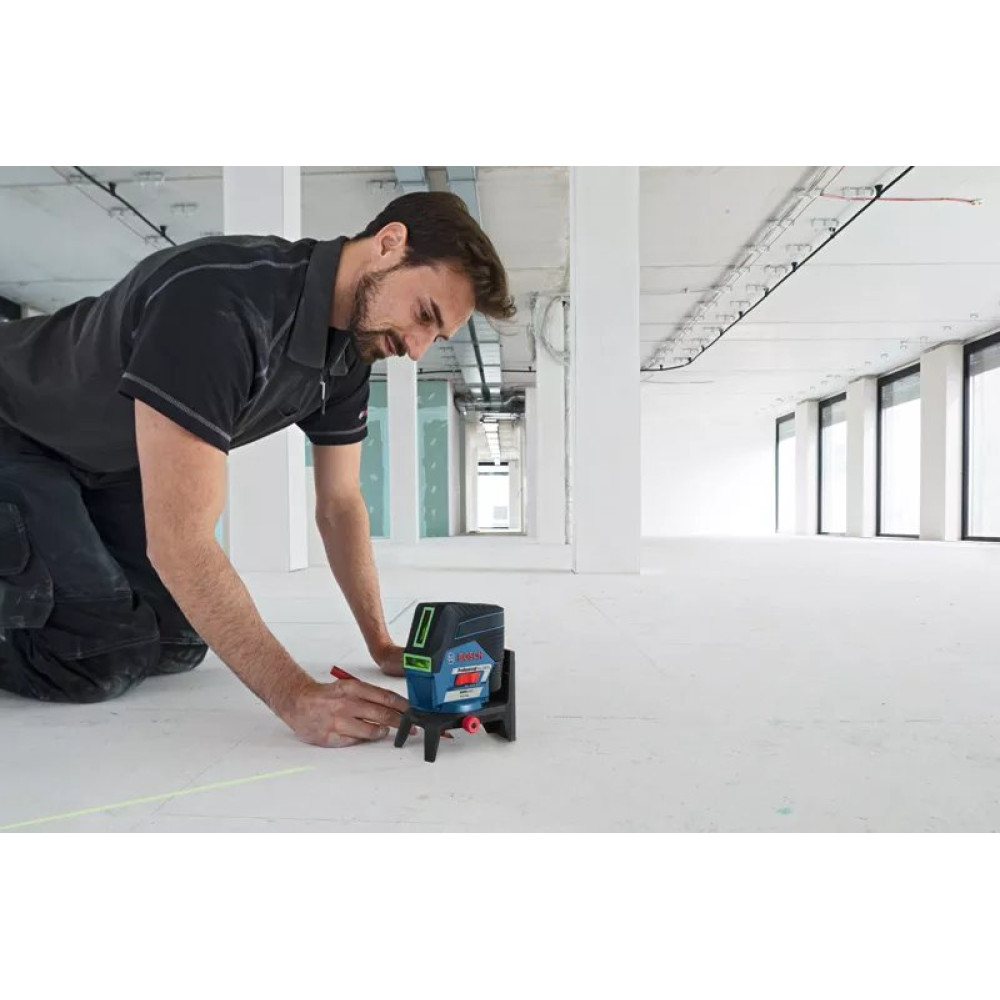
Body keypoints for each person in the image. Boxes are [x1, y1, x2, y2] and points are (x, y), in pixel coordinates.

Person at [0, 191, 516, 747]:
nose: (416, 349)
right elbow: (179, 541)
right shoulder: (216, 302)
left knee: (179, 640)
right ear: (389, 244)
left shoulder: (349, 352)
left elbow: (340, 504)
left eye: (435, 338)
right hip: (18, 430)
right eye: (423, 315)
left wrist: (381, 643)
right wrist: (294, 695)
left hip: (102, 462)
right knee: (99, 654)